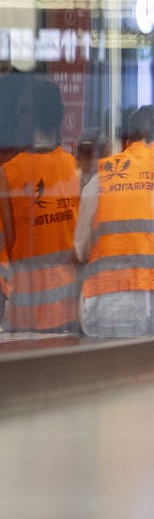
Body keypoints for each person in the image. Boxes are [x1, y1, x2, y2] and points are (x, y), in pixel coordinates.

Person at [75, 104, 154, 337]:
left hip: (100, 309)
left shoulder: (100, 178)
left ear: (126, 139)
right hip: (152, 308)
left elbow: (80, 251)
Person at [0, 78, 79, 332]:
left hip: (26, 314)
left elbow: (3, 251)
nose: (18, 116)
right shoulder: (72, 168)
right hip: (68, 310)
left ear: (32, 116)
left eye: (22, 110)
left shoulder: (8, 175)